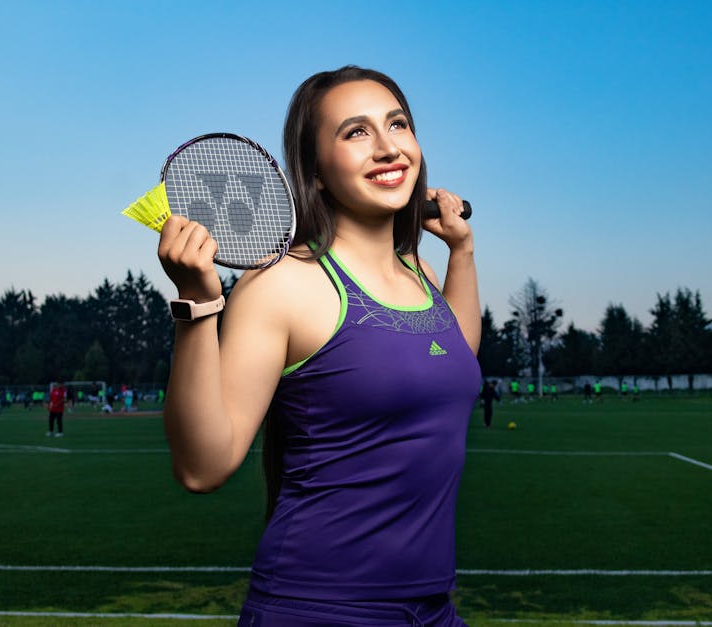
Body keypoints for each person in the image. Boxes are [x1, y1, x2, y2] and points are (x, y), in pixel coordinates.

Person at [157, 66, 480, 626]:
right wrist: (196, 306)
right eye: (356, 133)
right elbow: (202, 468)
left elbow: (454, 363)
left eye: (397, 125)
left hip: (432, 610)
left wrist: (464, 254)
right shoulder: (282, 283)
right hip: (318, 608)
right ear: (317, 174)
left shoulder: (422, 272)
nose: (387, 148)